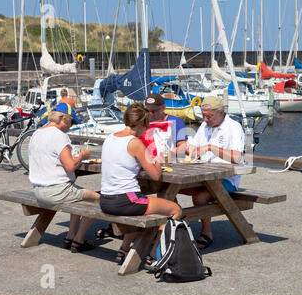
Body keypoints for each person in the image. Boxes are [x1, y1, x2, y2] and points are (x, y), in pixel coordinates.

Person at [94, 92, 187, 239]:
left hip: (106, 199)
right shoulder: (135, 143)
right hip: (126, 200)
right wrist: (157, 156)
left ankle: (126, 248)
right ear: (141, 124)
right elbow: (156, 175)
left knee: (158, 203)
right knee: (175, 209)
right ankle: (156, 252)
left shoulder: (110, 138)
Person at [28, 102, 100, 253]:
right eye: (72, 122)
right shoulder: (60, 136)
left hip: (39, 190)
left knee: (78, 194)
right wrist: (82, 155)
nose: (71, 126)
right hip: (57, 191)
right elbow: (71, 167)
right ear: (65, 119)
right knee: (98, 199)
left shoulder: (37, 133)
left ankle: (70, 235)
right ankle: (78, 241)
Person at [182, 96, 245, 249]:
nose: (205, 119)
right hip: (204, 174)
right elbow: (194, 146)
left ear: (221, 112)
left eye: (209, 116)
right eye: (203, 115)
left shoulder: (234, 127)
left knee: (200, 196)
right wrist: (189, 149)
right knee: (170, 188)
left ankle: (206, 233)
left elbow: (237, 157)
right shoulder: (204, 126)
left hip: (227, 179)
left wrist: (210, 148)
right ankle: (175, 227)